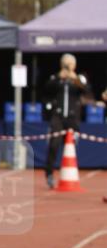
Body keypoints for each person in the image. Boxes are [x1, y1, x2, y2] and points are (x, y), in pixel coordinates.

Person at [43, 54, 91, 188]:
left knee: (71, 146)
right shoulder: (56, 78)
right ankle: (49, 174)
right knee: (54, 145)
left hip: (72, 117)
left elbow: (86, 90)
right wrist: (60, 76)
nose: (68, 66)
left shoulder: (78, 78)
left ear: (74, 65)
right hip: (57, 116)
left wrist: (74, 78)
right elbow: (47, 89)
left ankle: (70, 173)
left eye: (70, 64)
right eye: (65, 64)